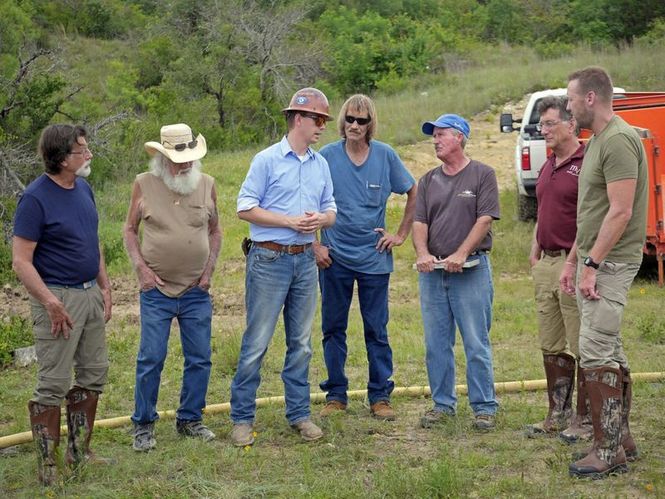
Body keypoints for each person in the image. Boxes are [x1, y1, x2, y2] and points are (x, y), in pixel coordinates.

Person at [230, 88, 337, 446]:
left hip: (305, 260)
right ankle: (242, 418)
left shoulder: (320, 164)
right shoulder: (266, 160)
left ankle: (299, 415)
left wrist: (320, 218)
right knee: (257, 341)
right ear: (297, 119)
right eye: (317, 119)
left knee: (302, 343)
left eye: (324, 120)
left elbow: (331, 211)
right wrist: (288, 222)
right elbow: (244, 207)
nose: (322, 126)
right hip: (269, 258)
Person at [12, 124, 112, 485]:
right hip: (57, 297)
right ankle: (47, 464)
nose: (88, 155)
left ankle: (79, 450)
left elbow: (92, 239)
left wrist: (104, 284)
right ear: (60, 158)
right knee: (53, 382)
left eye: (86, 148)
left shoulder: (83, 188)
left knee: (93, 374)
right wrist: (51, 302)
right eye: (80, 151)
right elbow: (21, 260)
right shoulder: (35, 199)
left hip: (89, 293)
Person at [561, 67, 647, 479]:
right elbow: (593, 212)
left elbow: (621, 210)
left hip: (612, 262)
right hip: (596, 260)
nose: (568, 106)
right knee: (608, 349)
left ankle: (607, 449)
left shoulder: (618, 140)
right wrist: (575, 260)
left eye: (571, 98)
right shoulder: (596, 140)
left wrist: (593, 264)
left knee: (595, 350)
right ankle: (622, 439)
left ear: (591, 98)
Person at [315, 94, 416, 420]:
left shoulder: (385, 156)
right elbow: (306, 198)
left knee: (377, 330)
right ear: (341, 122)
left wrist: (400, 234)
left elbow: (413, 190)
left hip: (374, 258)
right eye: (349, 119)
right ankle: (336, 394)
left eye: (362, 120)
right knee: (333, 328)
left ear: (370, 124)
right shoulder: (326, 157)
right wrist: (316, 244)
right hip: (334, 258)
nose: (355, 126)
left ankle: (380, 396)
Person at [124, 123, 221, 451]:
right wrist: (141, 270)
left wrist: (209, 271)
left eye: (191, 159)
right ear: (163, 159)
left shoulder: (207, 184)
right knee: (151, 356)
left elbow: (216, 232)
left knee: (200, 357)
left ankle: (190, 419)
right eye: (180, 160)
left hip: (197, 290)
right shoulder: (143, 185)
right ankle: (143, 425)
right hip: (156, 291)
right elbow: (128, 230)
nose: (187, 165)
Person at [413, 114, 500, 431]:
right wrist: (423, 254)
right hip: (433, 275)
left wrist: (461, 254)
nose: (435, 140)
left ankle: (484, 407)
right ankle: (442, 405)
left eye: (441, 134)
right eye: (433, 135)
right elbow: (419, 223)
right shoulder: (427, 181)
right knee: (436, 344)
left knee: (476, 342)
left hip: (472, 271)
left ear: (460, 137)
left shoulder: (482, 175)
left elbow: (485, 219)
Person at [526, 96, 592, 442]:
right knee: (551, 342)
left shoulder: (587, 162)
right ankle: (557, 413)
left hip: (575, 263)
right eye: (541, 124)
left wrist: (572, 260)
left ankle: (584, 418)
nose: (544, 130)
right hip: (547, 262)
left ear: (571, 124)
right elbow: (543, 210)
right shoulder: (548, 164)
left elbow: (590, 218)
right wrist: (536, 249)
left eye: (550, 123)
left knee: (583, 343)